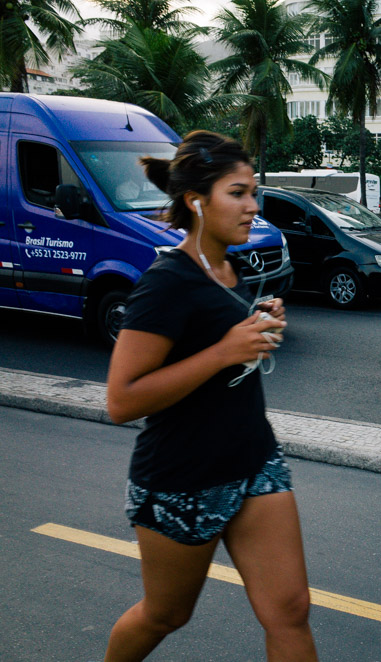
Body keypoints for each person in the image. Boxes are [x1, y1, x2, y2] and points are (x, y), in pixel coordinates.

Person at [103, 131, 317, 661]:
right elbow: (121, 400)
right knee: (166, 614)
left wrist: (258, 325)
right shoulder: (165, 282)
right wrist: (223, 351)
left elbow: (223, 345)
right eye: (238, 193)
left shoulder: (228, 268)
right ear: (197, 202)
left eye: (253, 192)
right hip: (182, 480)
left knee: (289, 610)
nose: (253, 206)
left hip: (253, 461)